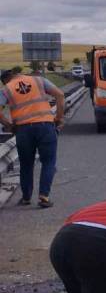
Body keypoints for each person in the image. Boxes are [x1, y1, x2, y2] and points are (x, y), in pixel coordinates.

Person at [0, 67, 65, 207]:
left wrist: (8, 125)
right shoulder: (38, 80)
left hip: (23, 130)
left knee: (26, 165)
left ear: (5, 80)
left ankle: (26, 198)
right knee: (48, 162)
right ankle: (44, 196)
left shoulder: (6, 89)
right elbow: (59, 94)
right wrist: (59, 118)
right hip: (45, 126)